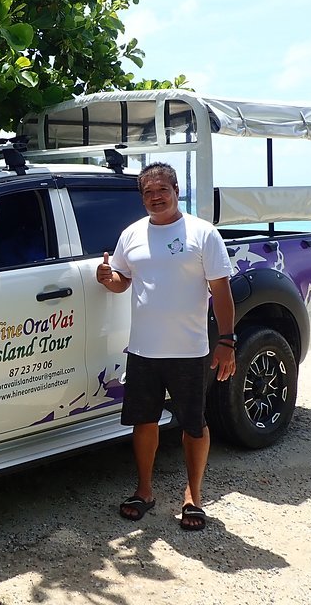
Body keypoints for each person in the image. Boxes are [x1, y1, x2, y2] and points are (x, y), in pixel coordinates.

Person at [96, 162, 236, 531]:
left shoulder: (202, 234)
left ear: (176, 190)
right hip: (143, 349)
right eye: (147, 192)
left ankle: (194, 496)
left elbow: (221, 290)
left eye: (162, 190)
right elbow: (123, 280)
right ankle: (145, 491)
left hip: (189, 350)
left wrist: (226, 340)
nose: (155, 198)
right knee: (144, 422)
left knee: (193, 424)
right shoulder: (131, 235)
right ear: (141, 196)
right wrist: (107, 279)